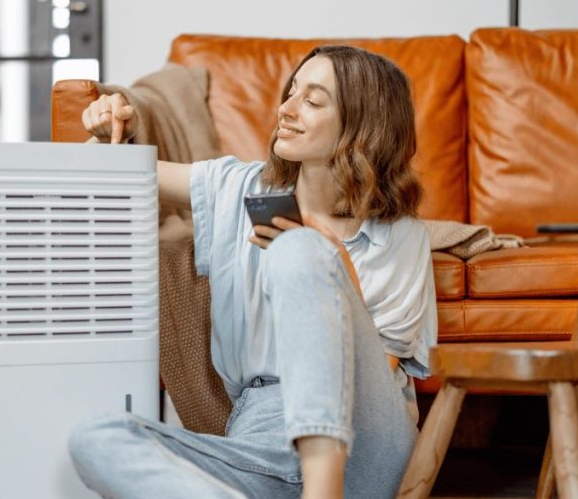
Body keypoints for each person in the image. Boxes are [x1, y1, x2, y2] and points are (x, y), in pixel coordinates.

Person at [68, 46, 437, 499]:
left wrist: (329, 258)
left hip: (363, 442)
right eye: (291, 92)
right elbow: (102, 175)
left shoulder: (401, 236)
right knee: (99, 438)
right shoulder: (236, 187)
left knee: (300, 248)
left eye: (313, 101)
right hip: (258, 440)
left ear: (364, 125)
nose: (286, 108)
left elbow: (371, 376)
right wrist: (110, 128)